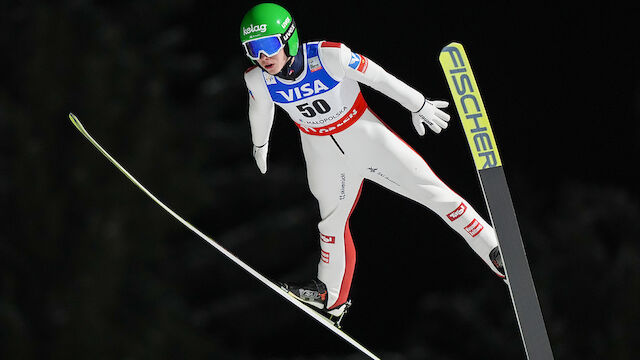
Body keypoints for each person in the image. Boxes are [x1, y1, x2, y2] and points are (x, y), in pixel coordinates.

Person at [240, 3, 505, 320]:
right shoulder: (258, 79)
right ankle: (331, 297)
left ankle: (495, 249)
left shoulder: (328, 56)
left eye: (268, 46)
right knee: (331, 223)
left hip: (366, 139)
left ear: (288, 38)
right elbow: (260, 110)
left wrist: (417, 104)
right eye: (253, 49)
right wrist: (260, 144)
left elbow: (379, 78)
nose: (262, 57)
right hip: (322, 154)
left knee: (434, 193)